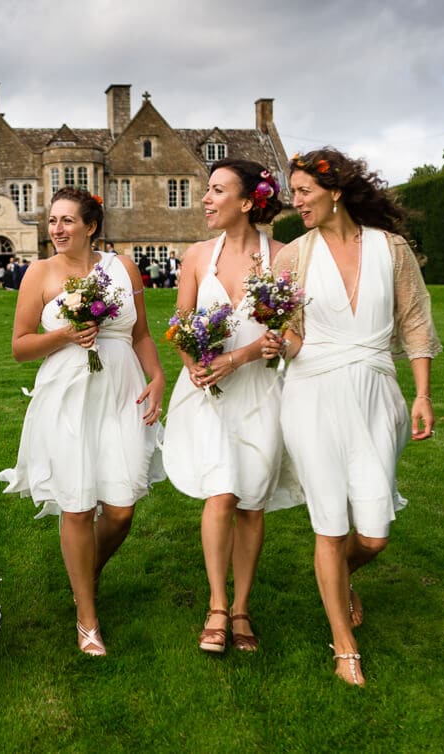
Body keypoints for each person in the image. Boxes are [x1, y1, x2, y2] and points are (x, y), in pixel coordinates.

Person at [267, 147, 441, 686]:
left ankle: (339, 577)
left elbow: (414, 322)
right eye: (292, 193)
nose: (294, 203)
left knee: (373, 534)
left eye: (303, 193)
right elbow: (293, 338)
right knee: (329, 521)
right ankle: (344, 648)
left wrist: (422, 394)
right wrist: (280, 341)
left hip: (376, 396)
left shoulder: (391, 250)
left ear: (335, 191)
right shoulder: (291, 257)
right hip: (311, 394)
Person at [0, 187, 165, 657]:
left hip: (121, 391)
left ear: (91, 226)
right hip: (69, 394)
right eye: (52, 221)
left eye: (67, 220)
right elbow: (19, 346)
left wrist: (158, 376)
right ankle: (87, 617)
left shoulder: (122, 268)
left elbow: (142, 335)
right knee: (75, 505)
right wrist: (65, 335)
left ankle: (85, 570)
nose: (57, 229)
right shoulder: (40, 273)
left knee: (121, 508)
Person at [162, 159, 285, 655]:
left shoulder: (283, 256)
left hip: (259, 390)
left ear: (248, 201)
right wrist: (193, 362)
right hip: (207, 392)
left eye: (216, 191)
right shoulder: (196, 256)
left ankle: (242, 609)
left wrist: (243, 355)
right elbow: (179, 323)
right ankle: (216, 604)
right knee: (221, 492)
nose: (206, 200)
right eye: (206, 190)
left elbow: (288, 330)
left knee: (251, 501)